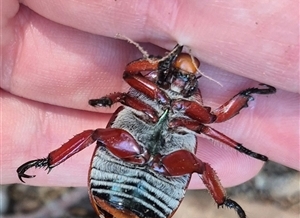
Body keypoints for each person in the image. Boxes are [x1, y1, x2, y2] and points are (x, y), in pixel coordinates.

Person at [1, 1, 299, 187]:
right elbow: (215, 119)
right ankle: (49, 161)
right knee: (203, 156)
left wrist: (246, 98)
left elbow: (131, 79)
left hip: (129, 157)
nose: (181, 79)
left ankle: (48, 161)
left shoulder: (140, 88)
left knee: (100, 134)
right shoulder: (185, 110)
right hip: (154, 169)